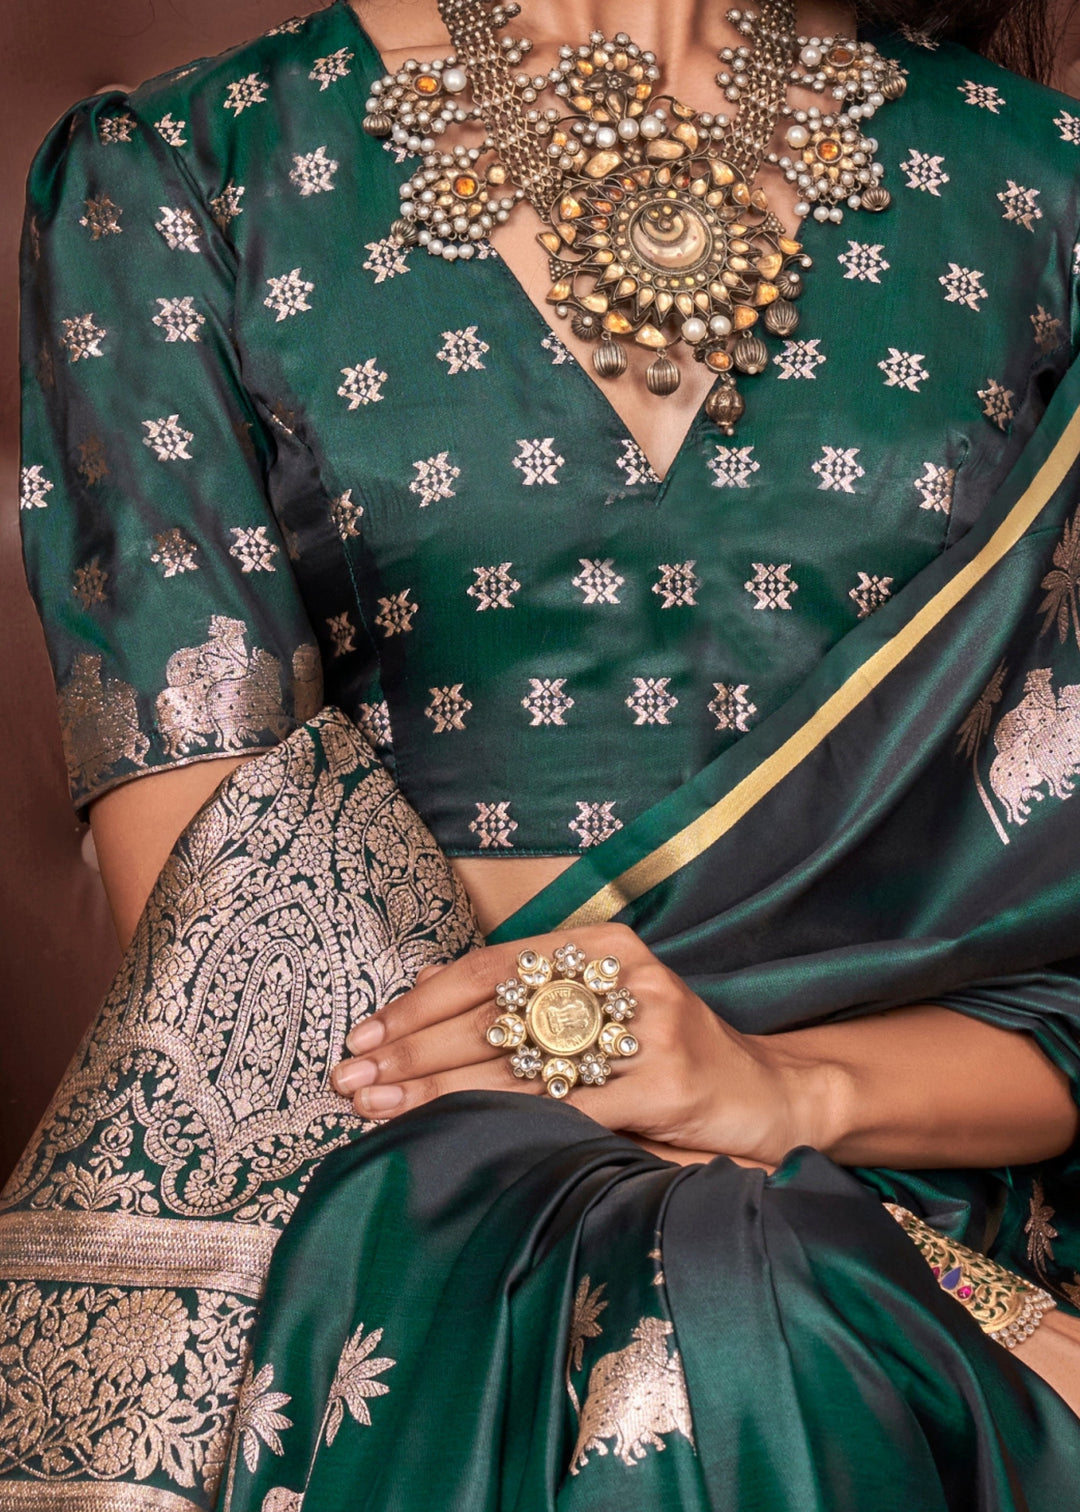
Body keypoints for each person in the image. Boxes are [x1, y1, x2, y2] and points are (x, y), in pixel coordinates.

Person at [6, 0, 1080, 1504]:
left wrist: (783, 1092)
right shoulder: (192, 172)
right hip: (395, 1172)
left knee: (764, 1302)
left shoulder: (1041, 183)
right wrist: (609, 1081)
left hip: (898, 1158)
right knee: (728, 1319)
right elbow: (232, 953)